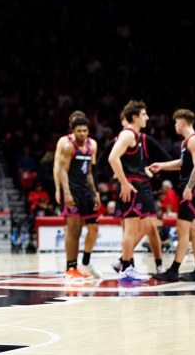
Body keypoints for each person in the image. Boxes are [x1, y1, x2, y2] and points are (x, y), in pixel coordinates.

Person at [151, 109, 195, 281]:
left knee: (182, 231)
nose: (174, 125)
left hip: (193, 190)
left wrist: (189, 187)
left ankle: (173, 270)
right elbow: (182, 164)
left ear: (182, 122)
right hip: (192, 189)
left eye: (176, 122)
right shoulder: (186, 143)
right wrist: (161, 165)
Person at [108, 100, 155, 282]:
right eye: (144, 114)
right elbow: (113, 158)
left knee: (146, 225)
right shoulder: (128, 135)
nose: (147, 118)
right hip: (131, 184)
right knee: (130, 228)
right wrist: (124, 182)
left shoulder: (133, 136)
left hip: (137, 183)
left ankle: (122, 261)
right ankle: (126, 268)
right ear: (134, 117)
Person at [53, 110, 101, 278]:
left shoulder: (91, 146)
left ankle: (84, 263)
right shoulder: (66, 145)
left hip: (85, 192)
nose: (82, 133)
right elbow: (61, 170)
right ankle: (70, 267)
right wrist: (63, 191)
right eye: (79, 130)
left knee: (92, 228)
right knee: (73, 231)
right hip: (72, 191)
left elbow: (89, 172)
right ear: (72, 130)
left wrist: (95, 192)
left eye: (85, 130)